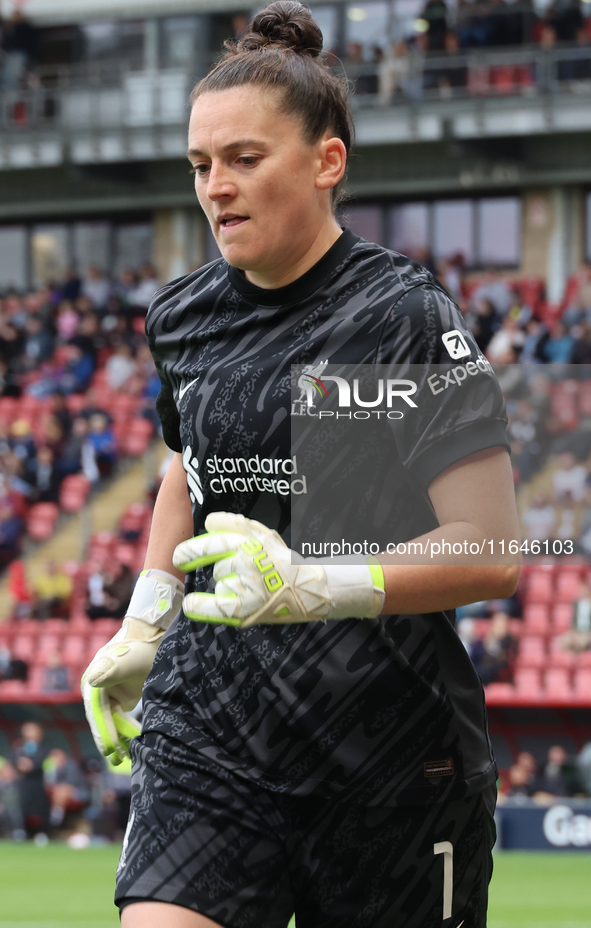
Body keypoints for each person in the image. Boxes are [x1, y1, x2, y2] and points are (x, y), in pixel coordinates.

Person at [82, 4, 520, 927]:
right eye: (201, 165)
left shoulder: (403, 317)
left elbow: (491, 551)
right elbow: (185, 463)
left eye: (245, 159)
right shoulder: (180, 317)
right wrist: (146, 623)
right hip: (211, 732)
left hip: (388, 756)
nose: (216, 188)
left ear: (327, 162)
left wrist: (312, 583)